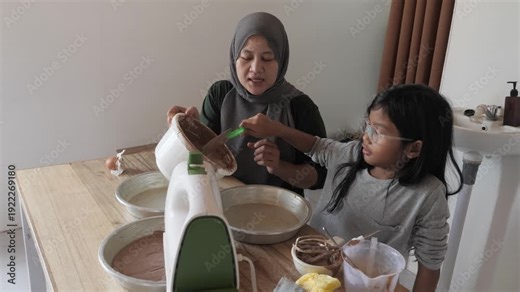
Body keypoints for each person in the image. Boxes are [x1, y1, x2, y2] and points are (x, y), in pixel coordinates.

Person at [241, 84, 463, 291]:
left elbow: (430, 266)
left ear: (414, 148)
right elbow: (316, 146)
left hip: (361, 284)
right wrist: (277, 129)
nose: (366, 137)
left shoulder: (428, 195)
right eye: (368, 125)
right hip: (309, 267)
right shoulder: (351, 154)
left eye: (379, 131)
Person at [167, 12, 327, 195]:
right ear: (235, 57)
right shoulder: (220, 94)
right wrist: (189, 131)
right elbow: (201, 159)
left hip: (275, 209)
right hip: (222, 199)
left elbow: (320, 177)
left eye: (267, 58)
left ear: (282, 60)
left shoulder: (300, 107)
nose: (256, 68)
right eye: (247, 57)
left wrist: (279, 166)